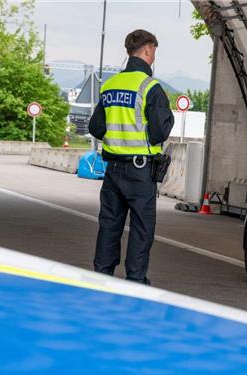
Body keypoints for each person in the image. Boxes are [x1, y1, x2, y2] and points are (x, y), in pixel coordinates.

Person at [89, 29, 174, 284]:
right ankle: (135, 281)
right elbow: (161, 131)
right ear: (148, 50)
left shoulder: (110, 84)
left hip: (113, 169)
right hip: (141, 171)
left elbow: (95, 127)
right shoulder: (150, 87)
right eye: (154, 51)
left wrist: (118, 137)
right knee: (141, 228)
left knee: (109, 225)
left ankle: (102, 277)